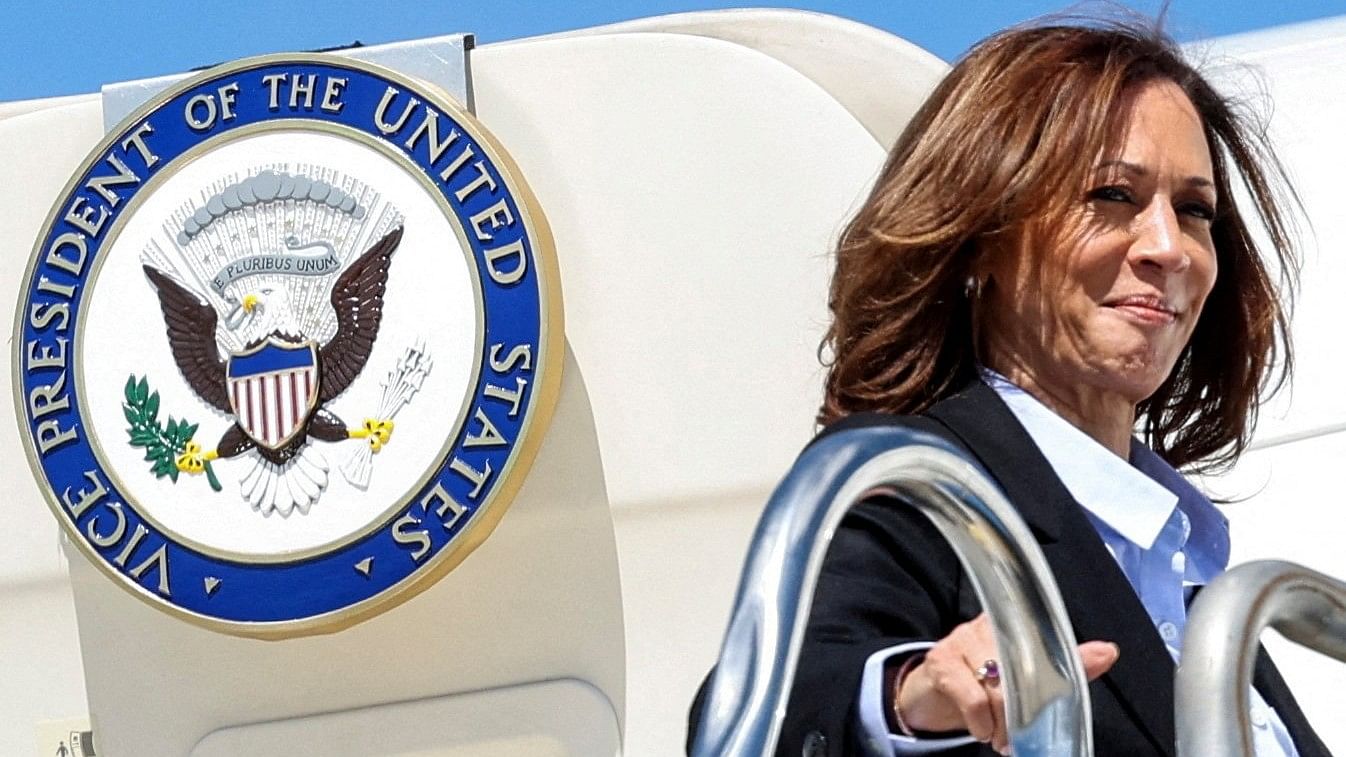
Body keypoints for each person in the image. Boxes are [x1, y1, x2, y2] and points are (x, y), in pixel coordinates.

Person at [687, 16, 1332, 757]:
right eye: (1112, 194)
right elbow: (764, 711)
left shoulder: (1190, 564)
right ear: (980, 236)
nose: (1168, 247)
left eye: (1194, 211)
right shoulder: (913, 484)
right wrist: (908, 699)